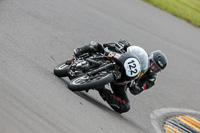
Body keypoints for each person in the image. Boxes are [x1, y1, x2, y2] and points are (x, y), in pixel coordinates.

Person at [73, 39, 168, 114]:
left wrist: (134, 85)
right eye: (152, 63)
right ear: (149, 57)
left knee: (125, 106)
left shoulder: (151, 79)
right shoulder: (141, 55)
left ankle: (101, 89)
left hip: (123, 81)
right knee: (100, 47)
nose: (152, 67)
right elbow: (127, 45)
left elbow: (136, 90)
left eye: (156, 68)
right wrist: (122, 44)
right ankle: (81, 51)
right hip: (118, 62)